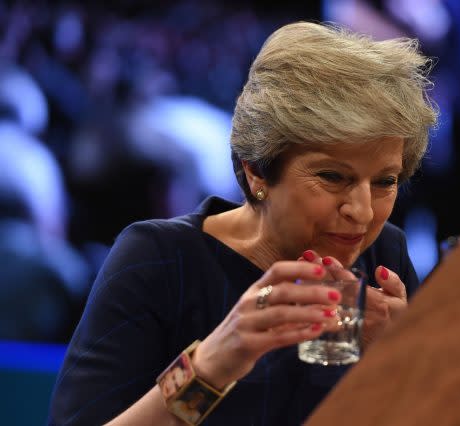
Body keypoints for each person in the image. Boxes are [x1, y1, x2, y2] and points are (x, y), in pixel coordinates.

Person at [48, 21, 437, 425]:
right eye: (333, 177)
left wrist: (402, 366)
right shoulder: (158, 259)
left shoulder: (383, 258)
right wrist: (210, 366)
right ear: (257, 172)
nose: (362, 211)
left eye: (384, 181)